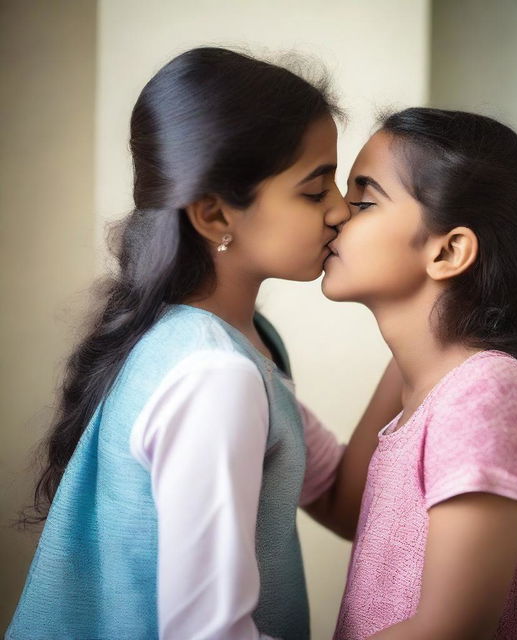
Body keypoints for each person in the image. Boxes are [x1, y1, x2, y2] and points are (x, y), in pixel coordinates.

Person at [7, 47, 402, 640]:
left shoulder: (231, 345)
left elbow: (344, 503)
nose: (341, 211)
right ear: (216, 216)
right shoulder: (212, 376)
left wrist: (419, 335)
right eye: (315, 190)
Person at [323, 108, 517, 639]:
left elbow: (449, 629)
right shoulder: (419, 377)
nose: (335, 214)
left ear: (448, 250)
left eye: (363, 199)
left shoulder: (486, 390)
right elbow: (345, 503)